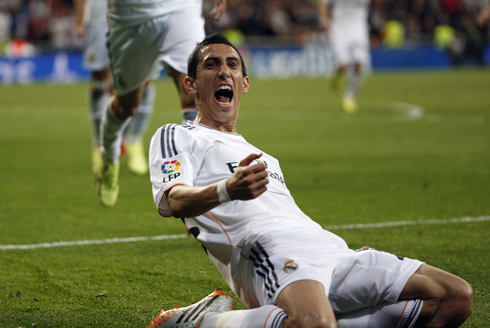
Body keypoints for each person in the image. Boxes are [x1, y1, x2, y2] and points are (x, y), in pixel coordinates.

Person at [147, 34, 473, 328]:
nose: (223, 71)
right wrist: (226, 189)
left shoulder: (265, 157)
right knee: (316, 323)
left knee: (455, 296)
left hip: (330, 248)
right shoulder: (178, 135)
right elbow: (172, 200)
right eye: (211, 64)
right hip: (266, 251)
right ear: (190, 85)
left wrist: (334, 250)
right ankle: (205, 324)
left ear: (244, 83)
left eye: (232, 64)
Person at [95, 0, 227, 207]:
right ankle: (108, 156)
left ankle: (192, 189)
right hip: (130, 14)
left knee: (196, 91)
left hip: (180, 8)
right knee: (127, 105)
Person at [74, 0, 157, 176]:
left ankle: (134, 141)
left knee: (146, 76)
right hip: (99, 11)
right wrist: (80, 18)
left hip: (140, 10)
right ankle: (100, 145)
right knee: (99, 81)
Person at [318, 0, 371, 113]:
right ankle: (337, 74)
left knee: (359, 63)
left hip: (358, 26)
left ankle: (349, 97)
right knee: (343, 64)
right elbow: (323, 2)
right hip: (339, 27)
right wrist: (324, 18)